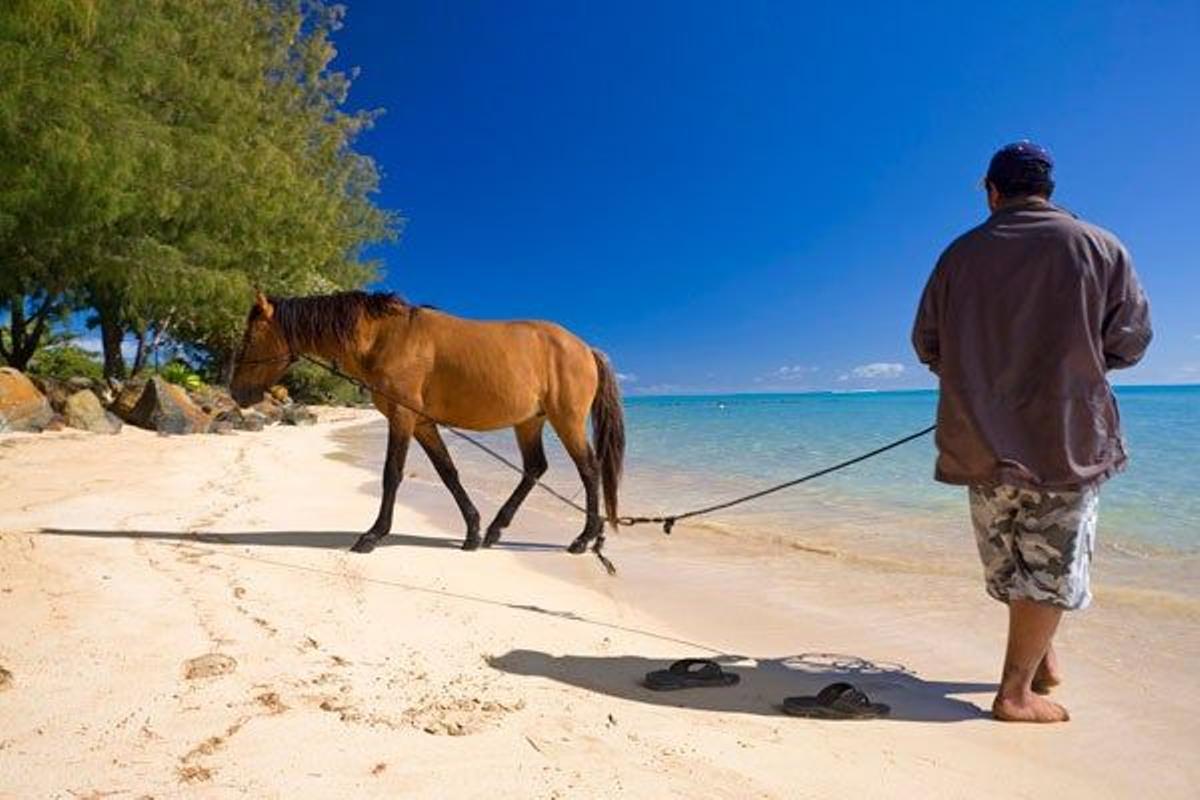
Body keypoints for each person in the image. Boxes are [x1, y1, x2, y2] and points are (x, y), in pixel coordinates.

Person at [912, 141, 1152, 723]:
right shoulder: (1100, 246)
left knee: (1011, 562)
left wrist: (982, 378)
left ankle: (1038, 662)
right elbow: (1132, 340)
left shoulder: (958, 256)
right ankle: (1015, 696)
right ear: (1046, 189)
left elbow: (928, 344)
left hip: (979, 439)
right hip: (1062, 437)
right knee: (1048, 570)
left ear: (992, 192)